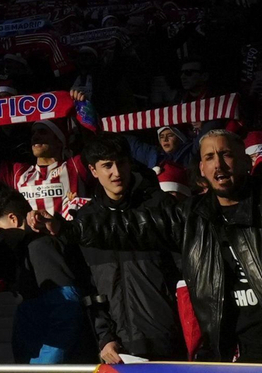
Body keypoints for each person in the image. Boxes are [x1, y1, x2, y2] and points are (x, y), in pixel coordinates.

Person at [51, 129, 262, 361]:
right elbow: (130, 227)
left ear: (245, 161)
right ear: (201, 168)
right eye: (209, 157)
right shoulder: (192, 216)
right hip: (232, 352)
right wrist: (68, 229)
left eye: (226, 154)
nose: (218, 164)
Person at [72, 134, 185, 361]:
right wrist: (105, 338)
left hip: (167, 339)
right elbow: (90, 287)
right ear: (93, 171)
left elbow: (184, 272)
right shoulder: (86, 221)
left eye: (121, 162)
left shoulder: (160, 206)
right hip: (117, 348)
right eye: (107, 166)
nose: (116, 172)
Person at [0, 186, 87, 363]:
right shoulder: (28, 249)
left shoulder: (39, 247)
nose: (1, 238)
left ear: (13, 219)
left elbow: (66, 309)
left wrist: (45, 364)